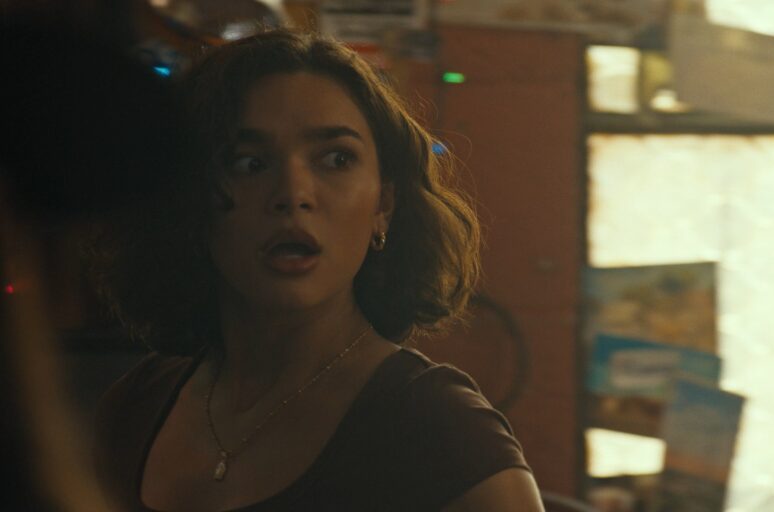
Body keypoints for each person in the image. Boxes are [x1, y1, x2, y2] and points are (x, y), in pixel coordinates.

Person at [91, 29, 544, 511]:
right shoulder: (136, 407)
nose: (294, 194)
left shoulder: (438, 429)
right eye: (249, 163)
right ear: (189, 198)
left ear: (384, 205)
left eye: (336, 159)